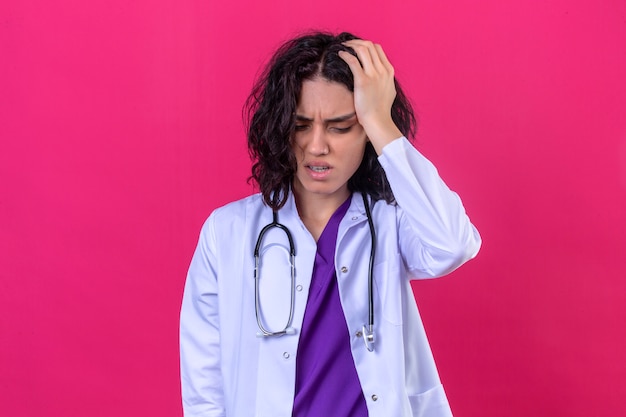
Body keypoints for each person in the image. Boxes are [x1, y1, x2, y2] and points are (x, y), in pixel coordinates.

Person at [180, 31, 481, 417]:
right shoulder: (227, 232)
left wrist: (381, 121)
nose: (317, 146)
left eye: (341, 127)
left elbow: (453, 245)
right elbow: (204, 385)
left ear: (367, 135)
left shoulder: (389, 224)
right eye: (301, 125)